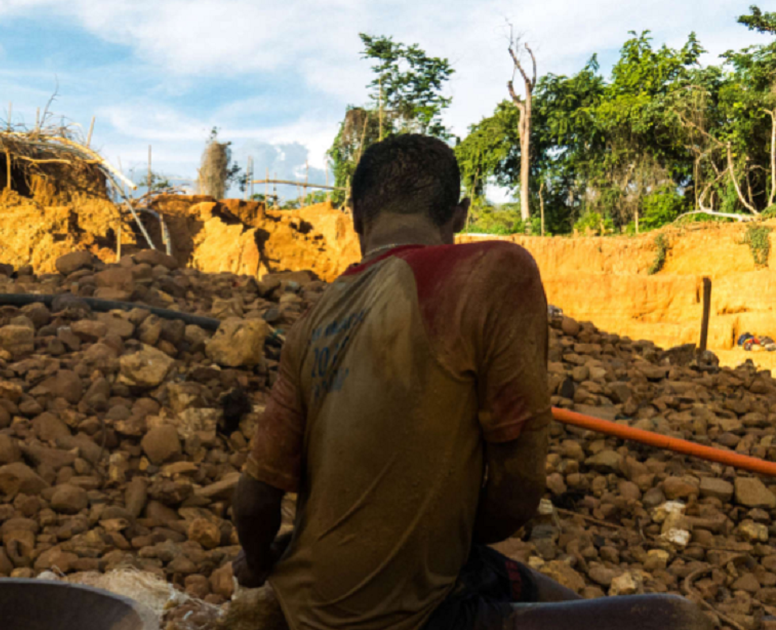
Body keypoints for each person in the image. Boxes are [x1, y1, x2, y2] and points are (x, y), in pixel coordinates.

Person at [231, 134, 710, 630]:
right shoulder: (492, 271)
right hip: (413, 618)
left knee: (518, 583)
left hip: (304, 603)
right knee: (677, 619)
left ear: (355, 216)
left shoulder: (311, 325)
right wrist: (428, 540)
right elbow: (515, 497)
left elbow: (253, 500)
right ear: (459, 216)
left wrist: (263, 560)